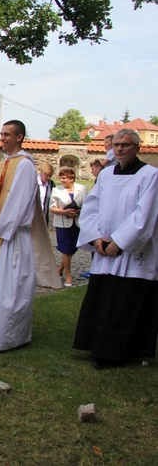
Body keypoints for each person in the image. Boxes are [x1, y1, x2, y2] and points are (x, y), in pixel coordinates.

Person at [0, 120, 59, 352]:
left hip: (11, 236)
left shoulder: (24, 165)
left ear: (19, 137)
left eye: (7, 135)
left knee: (6, 289)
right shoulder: (5, 163)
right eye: (1, 135)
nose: (2, 139)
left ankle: (4, 337)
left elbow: (19, 203)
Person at [74, 129, 158, 369]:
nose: (119, 149)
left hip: (132, 253)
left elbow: (146, 213)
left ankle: (122, 351)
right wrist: (96, 238)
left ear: (137, 148)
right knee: (103, 300)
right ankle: (97, 346)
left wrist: (120, 242)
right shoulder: (106, 175)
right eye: (117, 145)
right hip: (104, 249)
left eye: (126, 145)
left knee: (126, 303)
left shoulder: (150, 175)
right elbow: (91, 208)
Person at [50, 167, 88, 288]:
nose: (61, 180)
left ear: (72, 178)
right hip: (62, 224)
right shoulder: (57, 190)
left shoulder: (82, 189)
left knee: (72, 249)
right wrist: (64, 212)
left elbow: (88, 205)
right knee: (65, 250)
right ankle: (68, 275)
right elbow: (52, 208)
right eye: (60, 178)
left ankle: (60, 268)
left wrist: (79, 212)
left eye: (64, 178)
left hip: (77, 223)